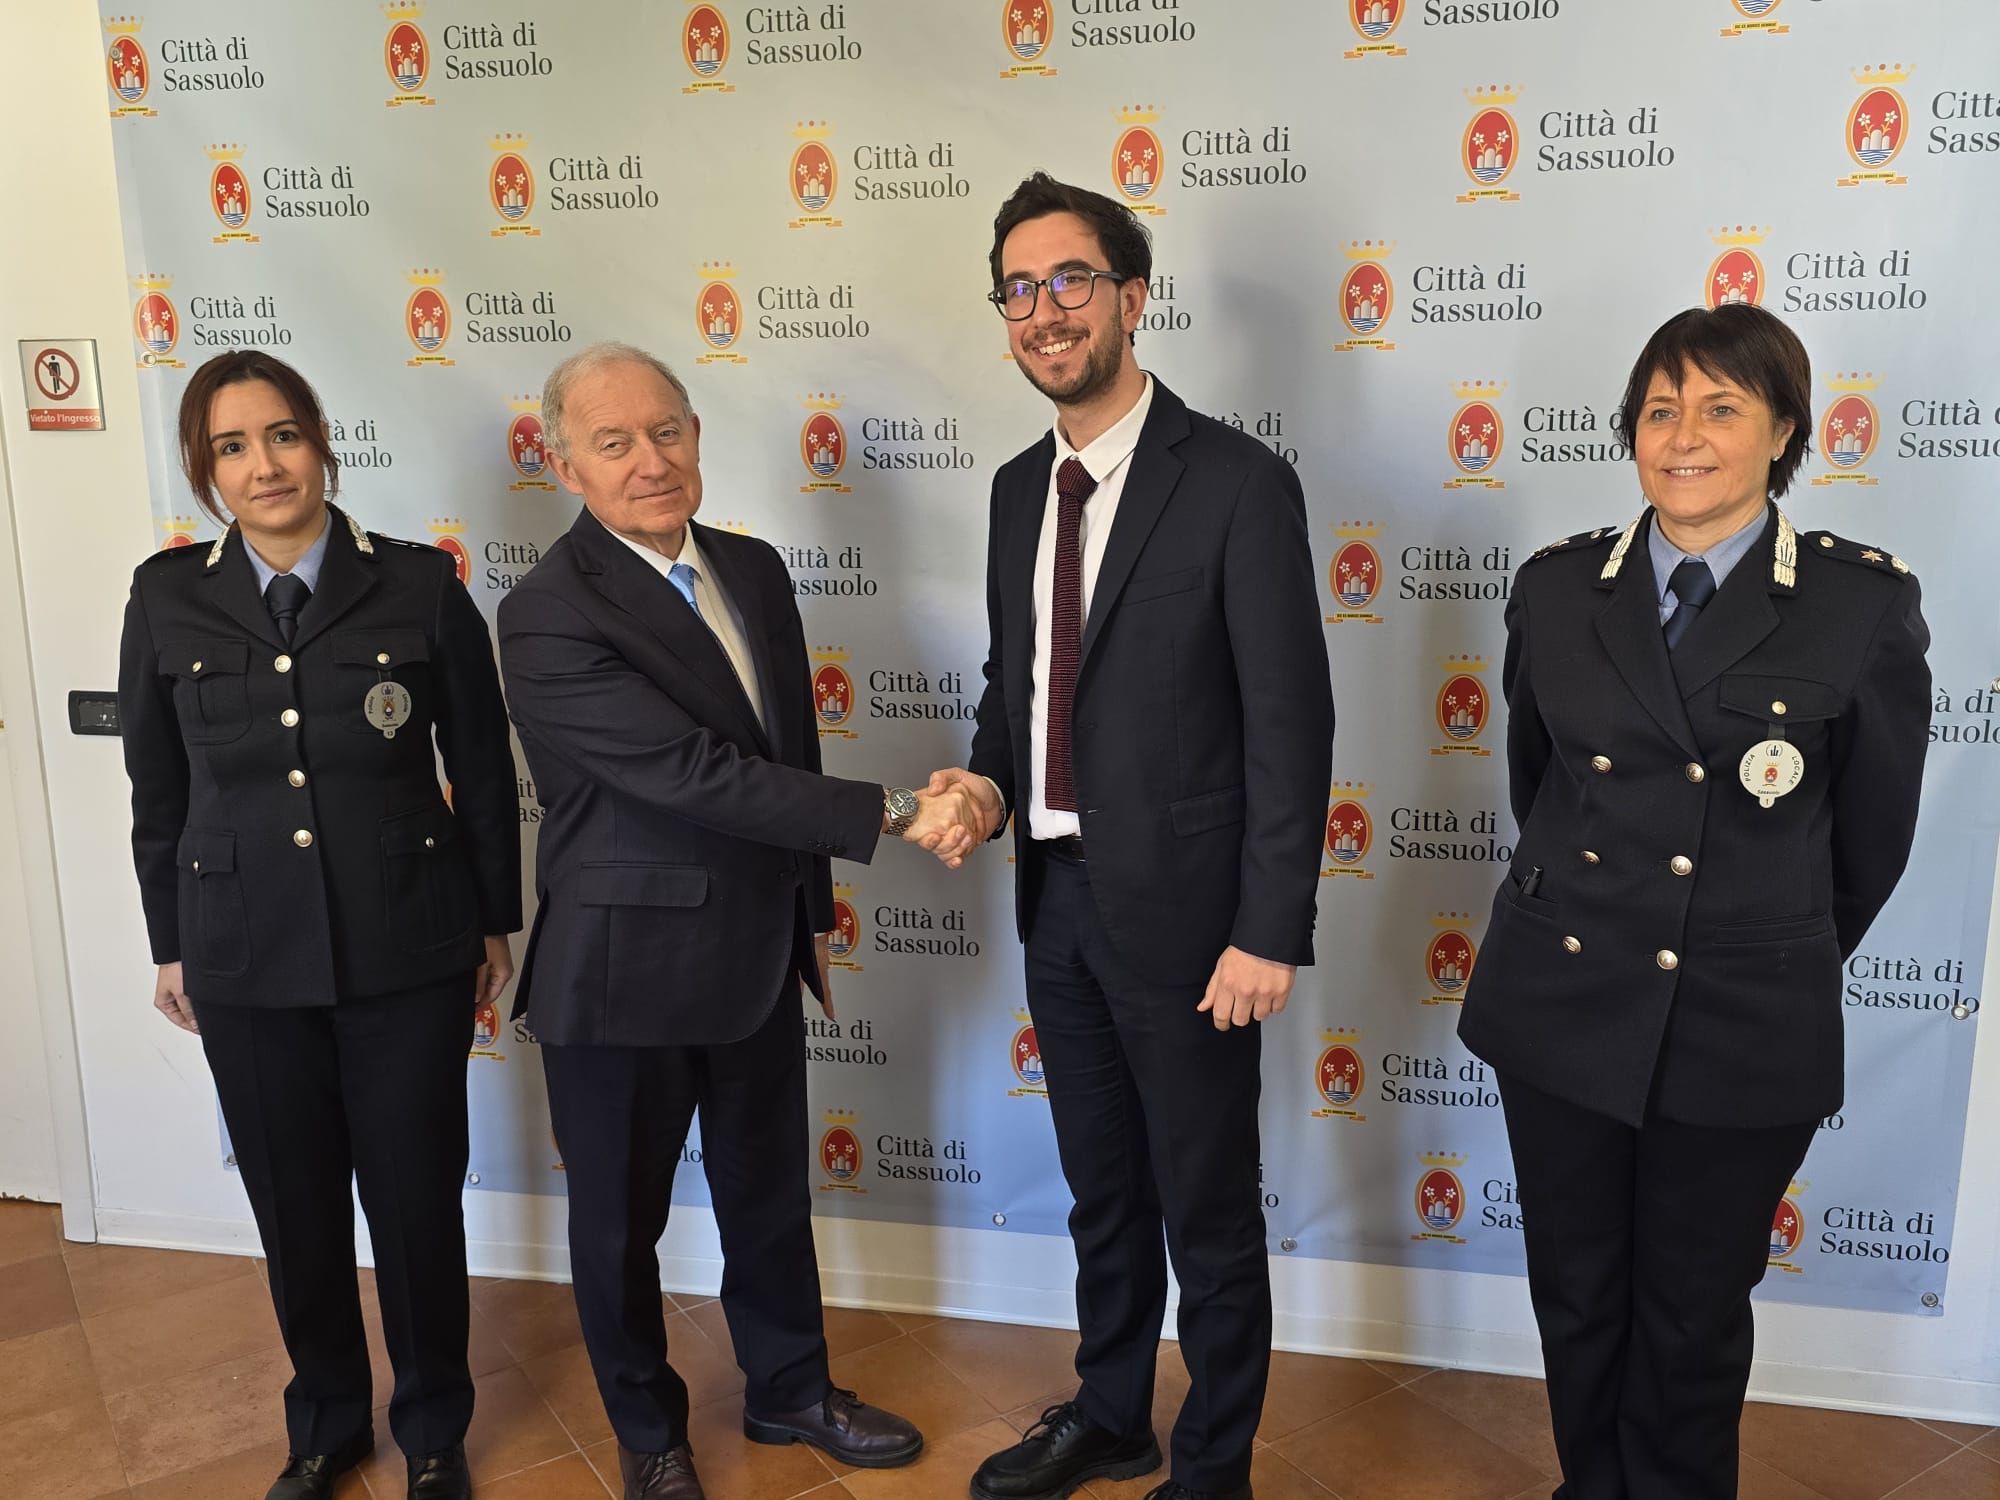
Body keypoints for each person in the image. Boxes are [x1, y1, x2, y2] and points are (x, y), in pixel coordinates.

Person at [1458, 303, 1931, 1500]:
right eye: (1658, 409)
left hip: (1737, 1018)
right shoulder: (1557, 590)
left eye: (1719, 408)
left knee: (1688, 1315)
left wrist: (1750, 941)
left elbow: (1866, 846)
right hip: (1560, 1000)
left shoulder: (1856, 605)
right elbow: (1539, 790)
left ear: (1781, 432)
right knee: (1576, 1295)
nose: (1681, 437)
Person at [496, 343, 964, 1500]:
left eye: (667, 431)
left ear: (697, 434)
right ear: (563, 464)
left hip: (755, 954)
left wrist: (811, 920)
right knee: (620, 1227)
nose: (650, 461)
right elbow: (695, 776)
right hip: (620, 975)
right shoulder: (545, 612)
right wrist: (897, 809)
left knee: (768, 1200)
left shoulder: (750, 569)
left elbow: (783, 749)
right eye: (614, 443)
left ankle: (789, 1390)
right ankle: (648, 1435)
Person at [928, 173, 1334, 1500]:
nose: (1044, 311)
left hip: (1194, 920)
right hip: (1057, 905)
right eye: (1019, 290)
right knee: (1101, 1190)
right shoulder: (1013, 491)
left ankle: (1214, 1467)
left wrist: (1267, 928)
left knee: (1205, 1209)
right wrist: (987, 790)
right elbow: (1018, 685)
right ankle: (1111, 1413)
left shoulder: (1234, 483)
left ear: (1131, 298)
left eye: (1071, 281)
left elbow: (1289, 724)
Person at [119, 350, 521, 1500]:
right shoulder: (166, 596)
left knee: (413, 1201)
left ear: (320, 441)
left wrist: (491, 922)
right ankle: (327, 1424)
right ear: (206, 470)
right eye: (232, 446)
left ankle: (433, 1431)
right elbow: (158, 788)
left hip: (408, 947)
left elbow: (481, 767)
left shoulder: (419, 585)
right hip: (242, 953)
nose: (264, 465)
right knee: (293, 1208)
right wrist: (170, 941)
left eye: (282, 435)